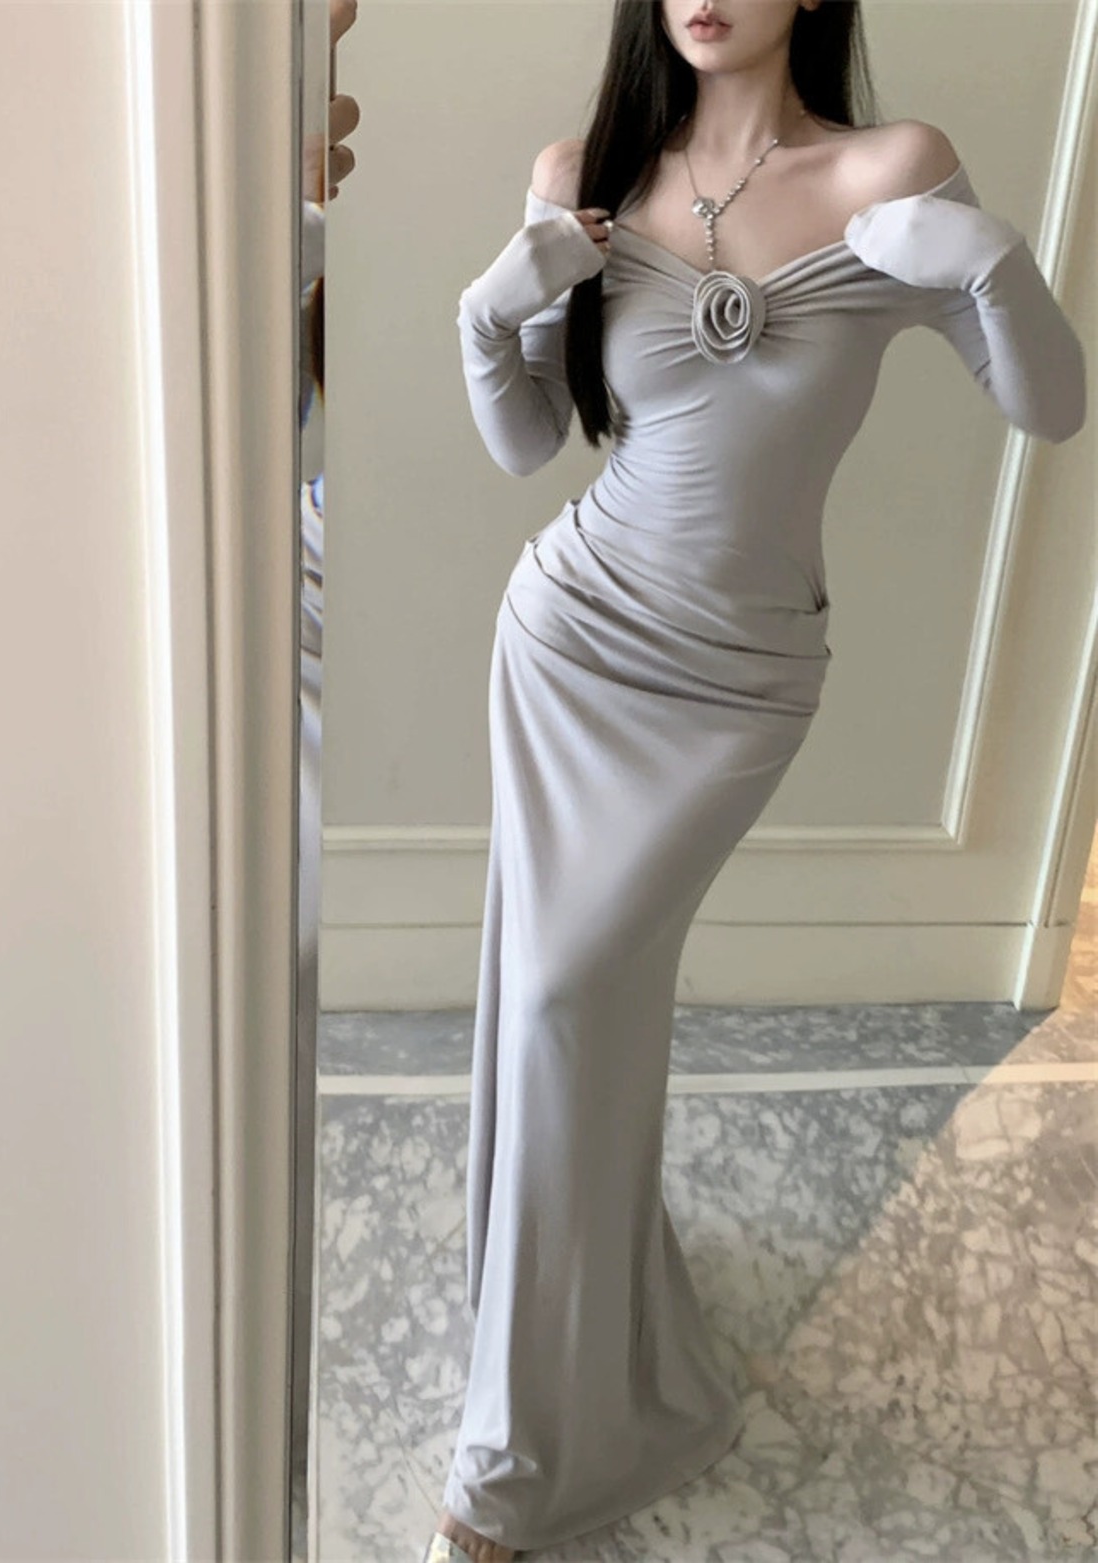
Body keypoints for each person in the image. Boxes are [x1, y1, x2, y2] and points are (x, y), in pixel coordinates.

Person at [423, 2, 1086, 1559]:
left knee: (573, 992)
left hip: (737, 682)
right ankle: (511, 1446)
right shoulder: (584, 173)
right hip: (571, 636)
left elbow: (1050, 405)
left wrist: (990, 261)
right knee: (564, 995)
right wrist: (485, 315)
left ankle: (568, 1345)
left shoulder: (892, 173)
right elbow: (527, 442)